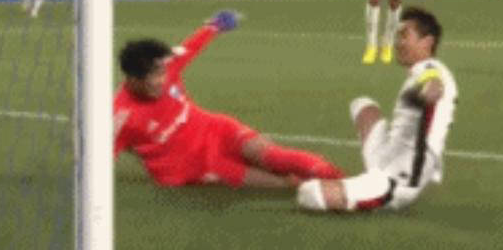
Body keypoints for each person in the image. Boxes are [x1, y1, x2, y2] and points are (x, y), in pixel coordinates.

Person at [114, 11, 345, 189]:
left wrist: (214, 26)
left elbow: (190, 47)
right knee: (283, 184)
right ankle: (320, 189)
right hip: (194, 165)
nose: (161, 81)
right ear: (132, 78)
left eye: (163, 73)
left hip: (215, 129)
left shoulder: (166, 65)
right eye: (153, 77)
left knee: (271, 155)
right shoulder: (120, 115)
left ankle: (341, 181)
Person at [296, 7, 457, 212]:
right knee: (363, 105)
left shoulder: (429, 68)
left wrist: (423, 96)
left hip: (402, 177)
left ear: (427, 42)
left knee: (309, 194)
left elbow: (434, 88)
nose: (397, 43)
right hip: (392, 154)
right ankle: (369, 177)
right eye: (398, 36)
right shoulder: (425, 69)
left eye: (404, 36)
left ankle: (373, 186)